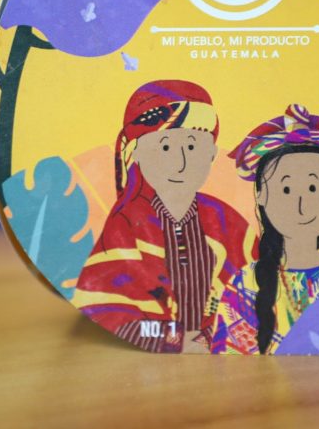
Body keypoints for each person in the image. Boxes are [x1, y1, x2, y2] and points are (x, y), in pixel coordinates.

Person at [72, 80, 257, 353]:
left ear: (211, 153)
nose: (180, 162)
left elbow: (257, 296)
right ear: (137, 154)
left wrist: (219, 337)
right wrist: (177, 339)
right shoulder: (126, 225)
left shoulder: (227, 223)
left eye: (192, 147)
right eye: (165, 147)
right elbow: (109, 311)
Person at [211, 103, 319, 355]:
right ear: (261, 195)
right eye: (286, 189)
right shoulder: (245, 285)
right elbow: (229, 357)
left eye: (313, 188)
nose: (301, 203)